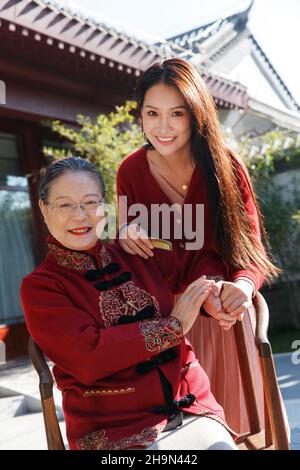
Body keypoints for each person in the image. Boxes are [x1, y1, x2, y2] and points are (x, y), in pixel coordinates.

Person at [20, 157, 239, 450]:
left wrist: (215, 296)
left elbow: (197, 263)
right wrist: (173, 327)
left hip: (188, 406)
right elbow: (88, 357)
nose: (80, 215)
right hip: (112, 431)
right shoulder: (42, 286)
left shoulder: (136, 250)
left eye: (90, 202)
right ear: (44, 210)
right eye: (64, 204)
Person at [116, 58, 281, 434]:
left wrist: (241, 287)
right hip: (172, 323)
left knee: (246, 430)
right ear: (139, 115)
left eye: (177, 113)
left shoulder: (226, 165)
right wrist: (124, 233)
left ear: (196, 114)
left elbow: (249, 247)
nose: (163, 126)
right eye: (152, 113)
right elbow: (133, 261)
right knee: (189, 438)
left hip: (228, 317)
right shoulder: (130, 172)